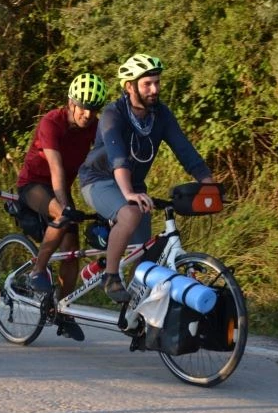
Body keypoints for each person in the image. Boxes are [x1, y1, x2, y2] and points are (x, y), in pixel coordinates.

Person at [79, 54, 215, 303]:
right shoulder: (113, 113)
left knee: (145, 256)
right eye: (147, 84)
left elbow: (185, 150)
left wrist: (208, 183)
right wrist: (129, 194)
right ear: (129, 86)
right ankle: (110, 276)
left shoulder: (161, 115)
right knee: (130, 214)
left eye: (157, 83)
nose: (154, 89)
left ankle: (137, 311)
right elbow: (118, 157)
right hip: (98, 180)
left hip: (134, 185)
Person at [16, 73, 107, 342]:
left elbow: (106, 162)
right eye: (84, 107)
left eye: (94, 109)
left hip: (61, 187)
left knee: (72, 251)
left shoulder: (93, 127)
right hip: (34, 184)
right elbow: (56, 169)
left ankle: (62, 309)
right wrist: (64, 205)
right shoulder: (51, 122)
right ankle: (36, 272)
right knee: (61, 215)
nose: (88, 114)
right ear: (71, 103)